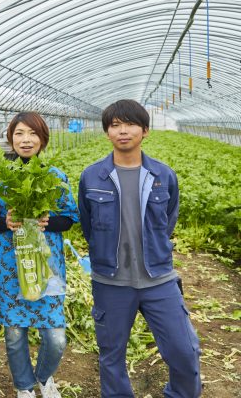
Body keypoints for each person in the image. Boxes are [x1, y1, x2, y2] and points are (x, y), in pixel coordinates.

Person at [78, 99, 201, 398]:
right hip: (111, 281)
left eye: (130, 124)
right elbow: (87, 224)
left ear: (145, 130)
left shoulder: (163, 175)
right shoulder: (92, 176)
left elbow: (168, 220)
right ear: (107, 132)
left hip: (159, 279)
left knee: (184, 351)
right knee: (112, 356)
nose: (123, 131)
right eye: (115, 125)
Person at [0, 112, 78, 398]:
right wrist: (4, 222)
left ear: (43, 138)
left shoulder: (55, 177)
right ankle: (23, 387)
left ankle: (43, 378)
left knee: (55, 337)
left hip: (45, 265)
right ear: (11, 139)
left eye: (32, 133)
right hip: (7, 264)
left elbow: (69, 218)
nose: (26, 139)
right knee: (15, 332)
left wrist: (47, 222)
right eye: (19, 133)